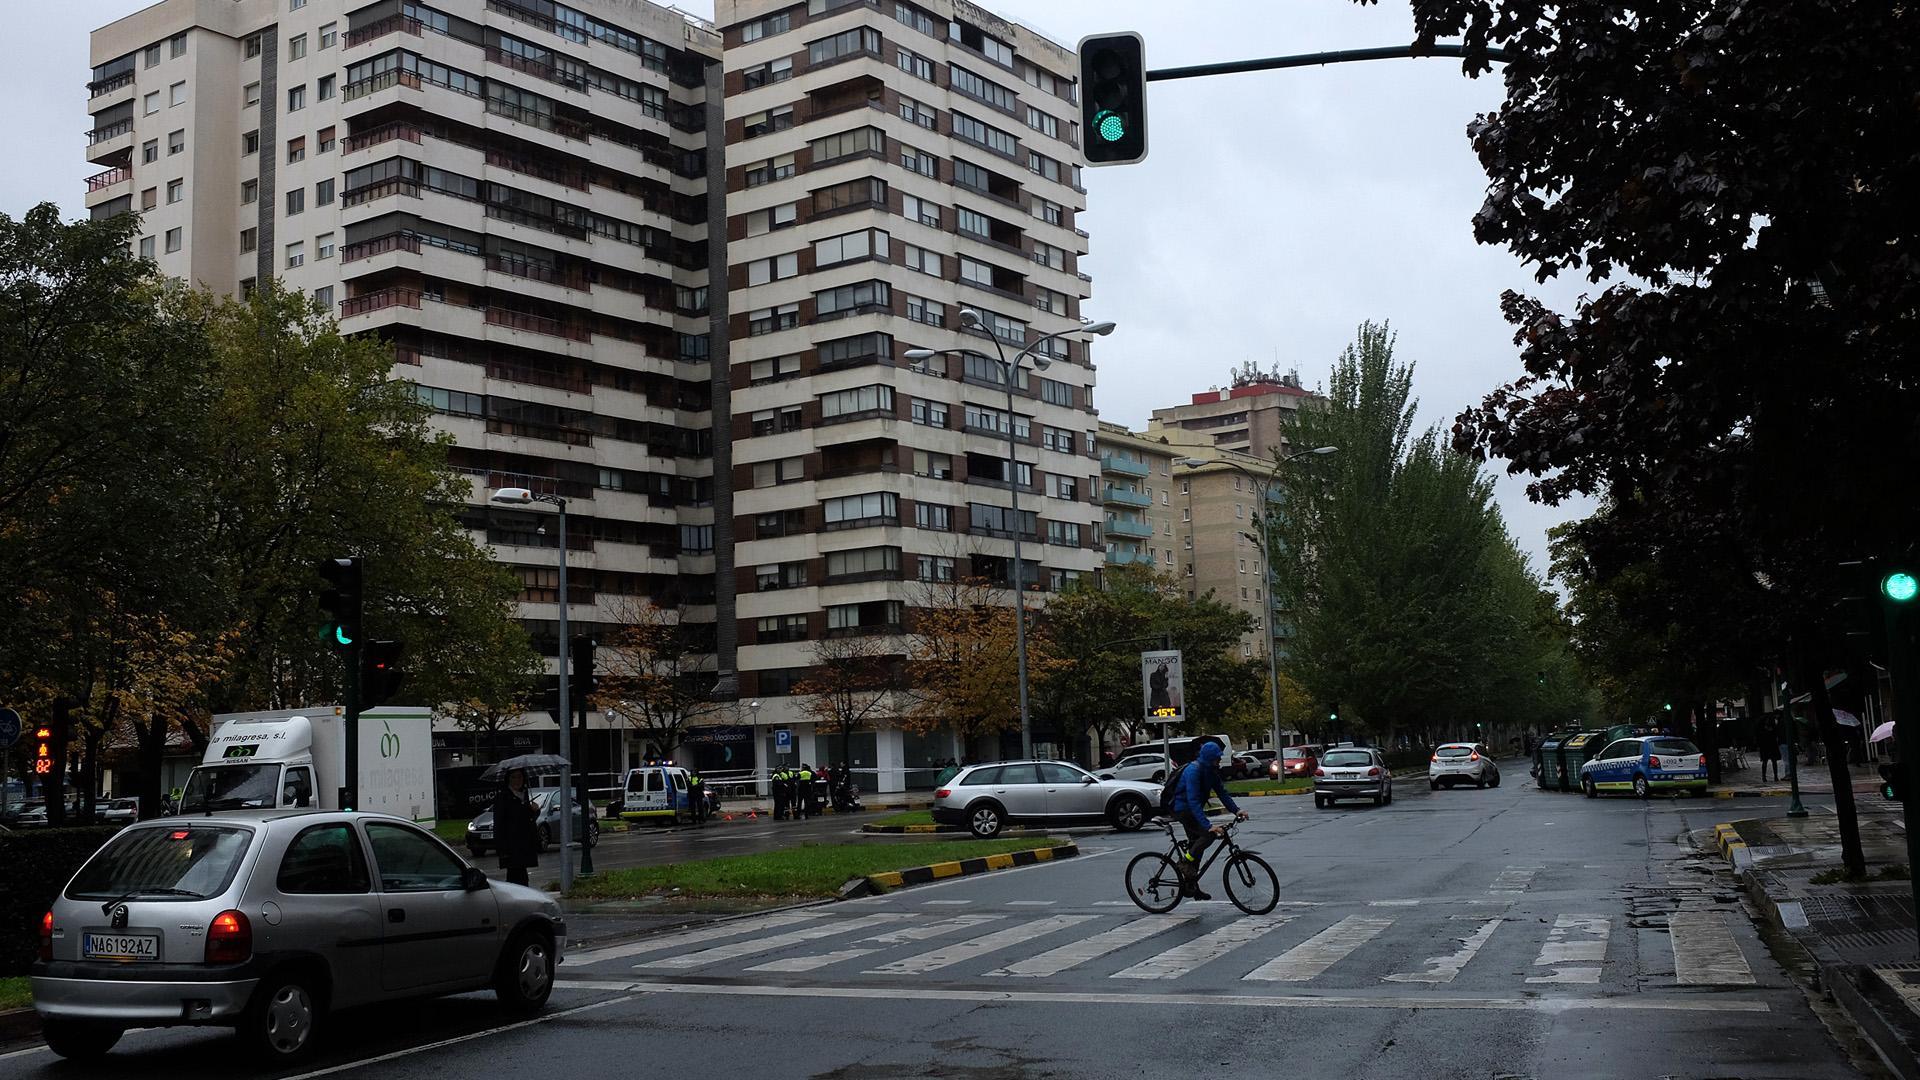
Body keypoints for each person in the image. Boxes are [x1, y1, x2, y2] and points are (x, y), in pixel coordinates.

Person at [1168, 740, 1248, 901]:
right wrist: (1208, 826)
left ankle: (1191, 886)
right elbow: (1192, 801)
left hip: (1193, 810)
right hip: (1182, 809)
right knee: (1208, 835)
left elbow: (1222, 793)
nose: (1219, 761)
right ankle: (1184, 862)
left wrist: (1237, 810)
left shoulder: (1211, 772)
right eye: (1217, 758)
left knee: (1197, 846)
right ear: (1209, 758)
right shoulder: (1193, 771)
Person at [493, 768, 540, 887]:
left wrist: (535, 811)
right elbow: (499, 824)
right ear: (508, 779)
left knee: (522, 877)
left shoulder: (524, 796)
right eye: (513, 777)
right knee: (515, 878)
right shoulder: (503, 797)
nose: (517, 780)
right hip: (511, 847)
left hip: (524, 845)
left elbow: (527, 820)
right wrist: (502, 849)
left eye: (519, 777)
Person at [1759, 717, 1782, 782]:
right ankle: (1774, 776)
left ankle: (1767, 776)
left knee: (1766, 762)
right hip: (1770, 747)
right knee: (1772, 762)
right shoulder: (1772, 730)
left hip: (1766, 747)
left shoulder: (1763, 730)